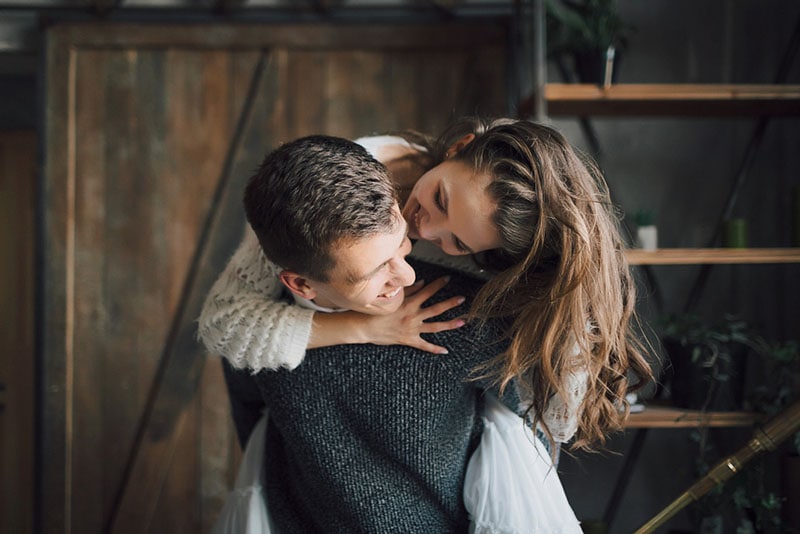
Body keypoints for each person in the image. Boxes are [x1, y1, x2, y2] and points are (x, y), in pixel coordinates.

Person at [199, 117, 653, 454]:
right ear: (459, 146)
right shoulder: (334, 192)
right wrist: (365, 327)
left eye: (457, 242)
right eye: (440, 198)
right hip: (276, 392)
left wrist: (571, 291)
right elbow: (223, 322)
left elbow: (559, 420)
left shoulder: (501, 246)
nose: (427, 229)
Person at [207, 134, 581, 532]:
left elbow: (537, 431)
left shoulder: (463, 316)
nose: (409, 273)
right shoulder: (263, 338)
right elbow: (237, 369)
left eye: (405, 246)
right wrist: (366, 326)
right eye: (439, 200)